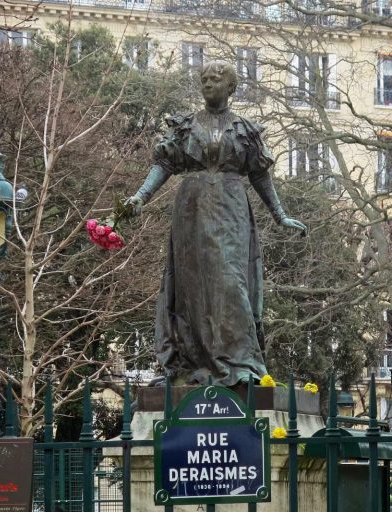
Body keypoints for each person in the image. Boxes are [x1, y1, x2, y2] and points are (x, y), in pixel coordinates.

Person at [125, 60, 306, 387]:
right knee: (191, 286)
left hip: (230, 206)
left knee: (229, 280)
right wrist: (139, 197)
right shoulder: (186, 126)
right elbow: (164, 164)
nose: (208, 84)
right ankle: (191, 363)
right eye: (204, 80)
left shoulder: (244, 129)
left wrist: (279, 214)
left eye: (215, 80)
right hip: (191, 209)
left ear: (231, 87)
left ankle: (239, 362)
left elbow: (260, 173)